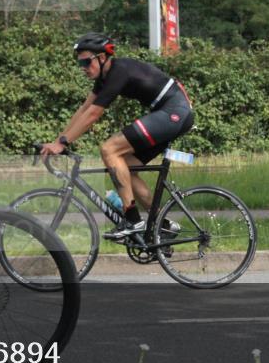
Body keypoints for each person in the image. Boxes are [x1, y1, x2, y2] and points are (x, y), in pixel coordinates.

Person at [40, 32, 194, 239]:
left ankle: (132, 220)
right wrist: (59, 140)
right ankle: (162, 225)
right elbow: (85, 109)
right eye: (80, 64)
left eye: (86, 62)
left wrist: (63, 143)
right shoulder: (104, 77)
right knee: (126, 168)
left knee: (109, 149)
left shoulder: (118, 71)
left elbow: (94, 114)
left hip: (173, 111)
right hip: (170, 113)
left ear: (102, 58)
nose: (84, 68)